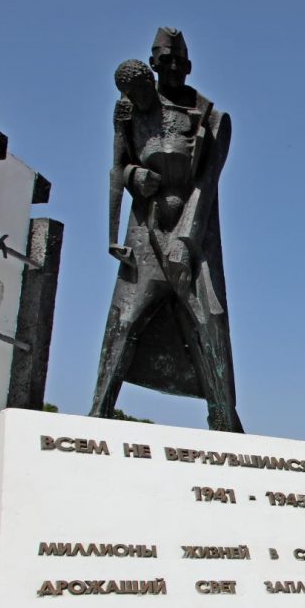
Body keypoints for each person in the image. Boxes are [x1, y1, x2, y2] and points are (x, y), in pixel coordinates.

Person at [93, 29, 243, 432]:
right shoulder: (129, 110)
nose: (173, 66)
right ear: (153, 64)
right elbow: (117, 166)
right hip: (145, 229)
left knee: (210, 319)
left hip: (192, 230)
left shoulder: (212, 117)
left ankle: (224, 419)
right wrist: (134, 174)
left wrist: (187, 239)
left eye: (179, 60)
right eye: (165, 59)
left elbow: (206, 182)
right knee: (124, 319)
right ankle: (100, 410)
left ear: (189, 65)